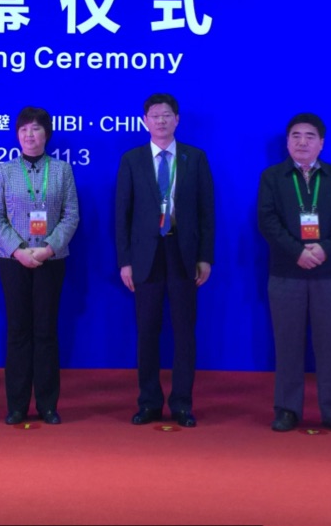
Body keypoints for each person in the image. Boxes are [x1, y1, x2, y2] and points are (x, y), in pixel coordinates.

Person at [115, 93, 214, 428]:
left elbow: (207, 212)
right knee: (147, 331)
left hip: (183, 255)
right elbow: (122, 214)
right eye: (155, 115)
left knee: (185, 332)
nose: (161, 120)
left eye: (167, 115)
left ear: (177, 119)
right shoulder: (132, 159)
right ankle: (149, 403)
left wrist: (205, 257)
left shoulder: (194, 158)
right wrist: (125, 261)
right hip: (145, 257)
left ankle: (182, 404)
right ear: (145, 121)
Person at [257, 113, 331, 435]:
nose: (302, 142)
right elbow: (267, 221)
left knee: (330, 346)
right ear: (287, 142)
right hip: (286, 273)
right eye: (296, 136)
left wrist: (324, 249)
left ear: (321, 143)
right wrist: (297, 252)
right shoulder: (272, 177)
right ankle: (287, 410)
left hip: (329, 274)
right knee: (287, 345)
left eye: (310, 136)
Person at [0, 107, 80, 425]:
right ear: (17, 134)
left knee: (46, 331)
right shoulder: (5, 170)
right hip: (12, 260)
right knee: (18, 331)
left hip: (51, 260)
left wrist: (48, 248)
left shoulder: (62, 170)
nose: (30, 134)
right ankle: (16, 405)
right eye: (24, 129)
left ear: (47, 135)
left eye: (36, 129)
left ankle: (47, 404)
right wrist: (19, 251)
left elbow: (71, 215)